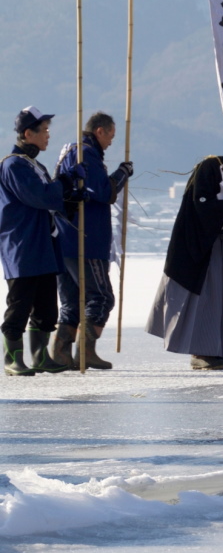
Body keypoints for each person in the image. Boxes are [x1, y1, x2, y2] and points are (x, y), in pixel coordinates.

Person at [146, 140, 223, 370]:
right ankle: (201, 352)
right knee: (201, 297)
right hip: (197, 243)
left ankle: (214, 349)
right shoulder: (209, 167)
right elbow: (200, 203)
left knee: (217, 297)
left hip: (220, 244)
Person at [1, 107, 86, 376]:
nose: (48, 135)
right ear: (29, 133)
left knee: (47, 305)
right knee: (20, 303)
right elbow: (41, 197)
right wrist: (62, 182)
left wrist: (70, 193)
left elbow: (52, 199)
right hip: (23, 244)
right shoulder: (13, 164)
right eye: (44, 130)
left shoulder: (35, 165)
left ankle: (39, 356)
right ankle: (12, 358)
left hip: (45, 243)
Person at [52, 112, 133, 370]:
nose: (110, 142)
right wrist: (122, 173)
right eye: (110, 135)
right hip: (84, 240)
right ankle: (86, 351)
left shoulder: (71, 151)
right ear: (100, 131)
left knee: (73, 299)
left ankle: (61, 353)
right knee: (102, 297)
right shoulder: (86, 154)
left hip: (64, 239)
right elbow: (104, 192)